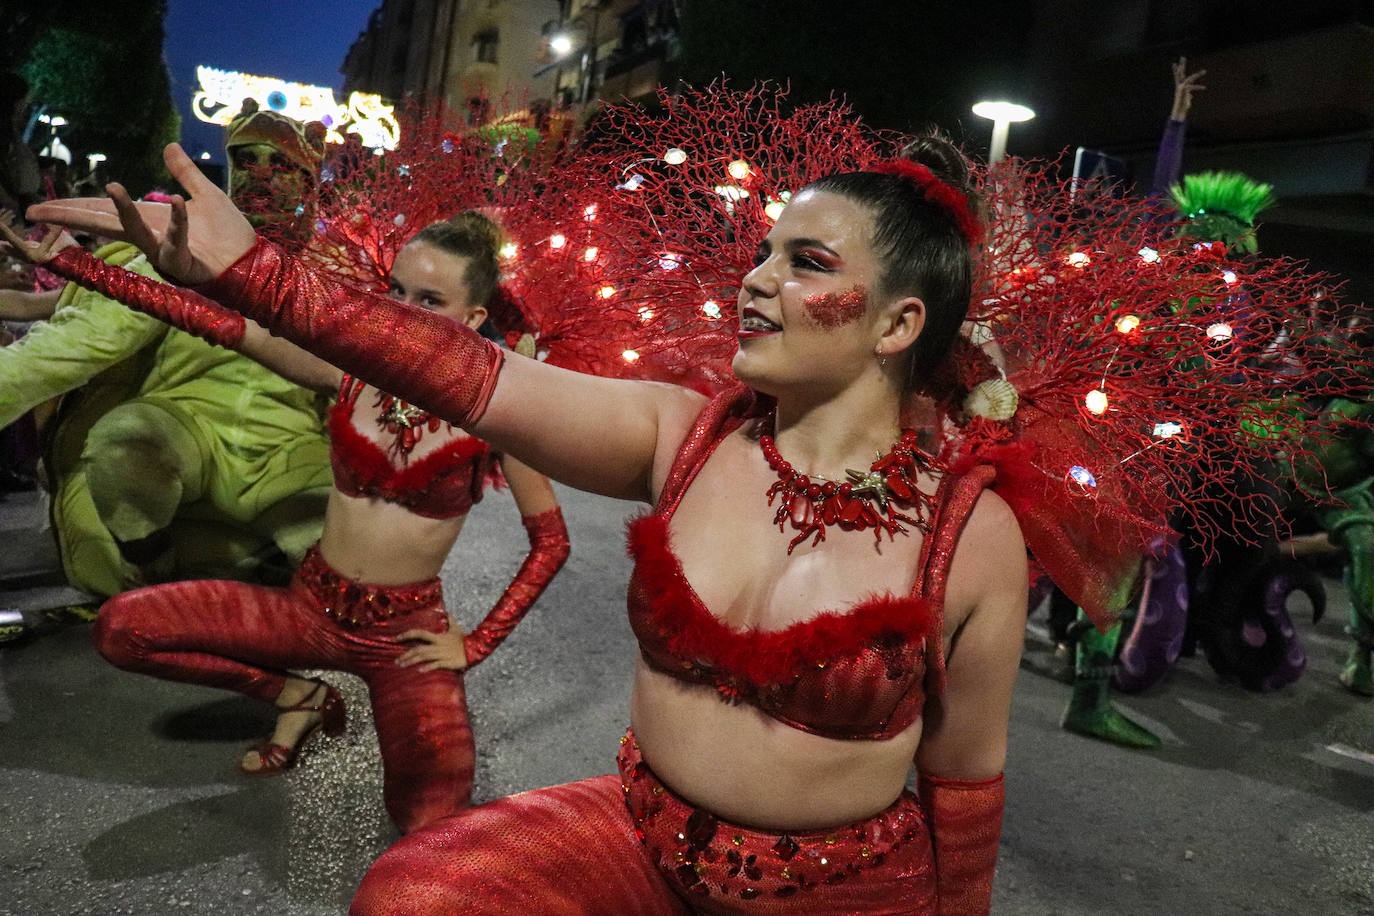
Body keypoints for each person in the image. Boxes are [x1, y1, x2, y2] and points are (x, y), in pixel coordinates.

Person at [28, 130, 1023, 913]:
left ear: (898, 324)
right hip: (635, 836)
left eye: (804, 261)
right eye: (762, 252)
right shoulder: (679, 434)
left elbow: (965, 789)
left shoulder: (971, 537)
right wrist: (260, 272)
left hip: (843, 895)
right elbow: (470, 374)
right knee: (408, 891)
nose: (756, 278)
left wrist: (471, 640)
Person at [1, 211, 570, 834]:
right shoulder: (351, 371)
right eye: (397, 291)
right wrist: (75, 265)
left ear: (473, 318)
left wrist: (474, 644)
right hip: (306, 610)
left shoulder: (495, 415)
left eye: (429, 300)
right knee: (121, 630)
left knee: (433, 825)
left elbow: (551, 543)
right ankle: (295, 696)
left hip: (404, 642)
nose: (404, 310)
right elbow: (216, 322)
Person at [0, 105, 336, 597]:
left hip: (291, 456)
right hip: (181, 433)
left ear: (309, 181)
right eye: (247, 159)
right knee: (123, 443)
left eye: (281, 164)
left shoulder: (339, 275)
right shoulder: (183, 255)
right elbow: (69, 348)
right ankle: (157, 567)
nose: (263, 173)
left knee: (353, 564)